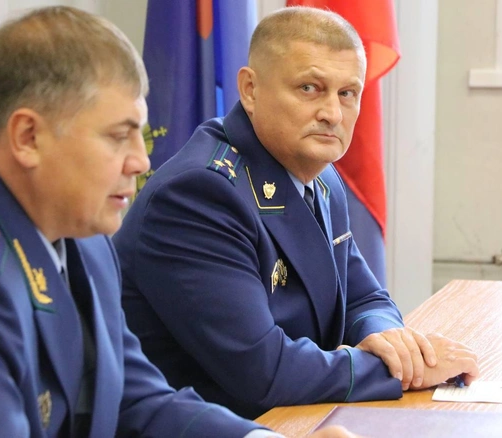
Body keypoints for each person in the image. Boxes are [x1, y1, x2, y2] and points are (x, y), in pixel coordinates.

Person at [0, 6, 358, 438]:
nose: (141, 161)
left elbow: (136, 400)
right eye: (118, 136)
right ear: (28, 137)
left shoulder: (84, 239)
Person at [113, 5, 480, 420]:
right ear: (250, 90)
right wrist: (403, 370)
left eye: (347, 93)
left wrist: (390, 341)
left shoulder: (322, 176)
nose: (332, 114)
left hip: (291, 421)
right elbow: (262, 372)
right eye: (310, 88)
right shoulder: (200, 194)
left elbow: (364, 296)